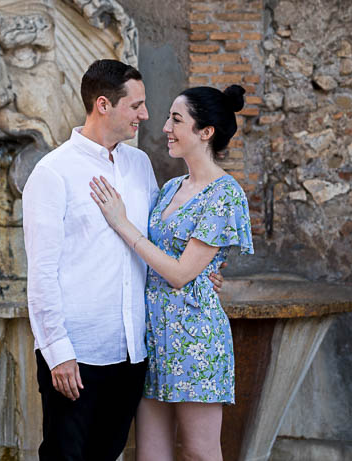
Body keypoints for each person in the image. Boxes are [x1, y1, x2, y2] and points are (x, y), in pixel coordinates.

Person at [23, 59, 223, 461]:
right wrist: (57, 351)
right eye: (136, 106)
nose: (145, 116)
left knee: (108, 454)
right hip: (78, 353)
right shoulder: (53, 173)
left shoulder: (139, 165)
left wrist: (201, 272)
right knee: (65, 456)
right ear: (103, 105)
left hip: (133, 351)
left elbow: (155, 244)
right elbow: (41, 272)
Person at [89, 85, 254, 461]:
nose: (165, 127)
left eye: (176, 120)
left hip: (195, 339)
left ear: (205, 132)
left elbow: (181, 273)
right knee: (151, 455)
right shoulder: (170, 188)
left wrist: (121, 223)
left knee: (198, 452)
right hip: (154, 336)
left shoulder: (225, 194)